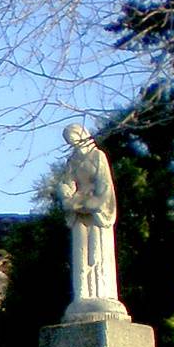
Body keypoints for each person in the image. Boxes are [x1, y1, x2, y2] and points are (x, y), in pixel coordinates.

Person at [57, 123, 124, 318]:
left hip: (94, 212)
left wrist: (89, 203)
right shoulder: (73, 161)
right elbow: (66, 183)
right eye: (69, 141)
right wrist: (67, 195)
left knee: (98, 251)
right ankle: (83, 295)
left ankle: (102, 293)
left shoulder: (97, 156)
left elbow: (104, 185)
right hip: (78, 210)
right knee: (82, 252)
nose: (73, 143)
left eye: (74, 138)